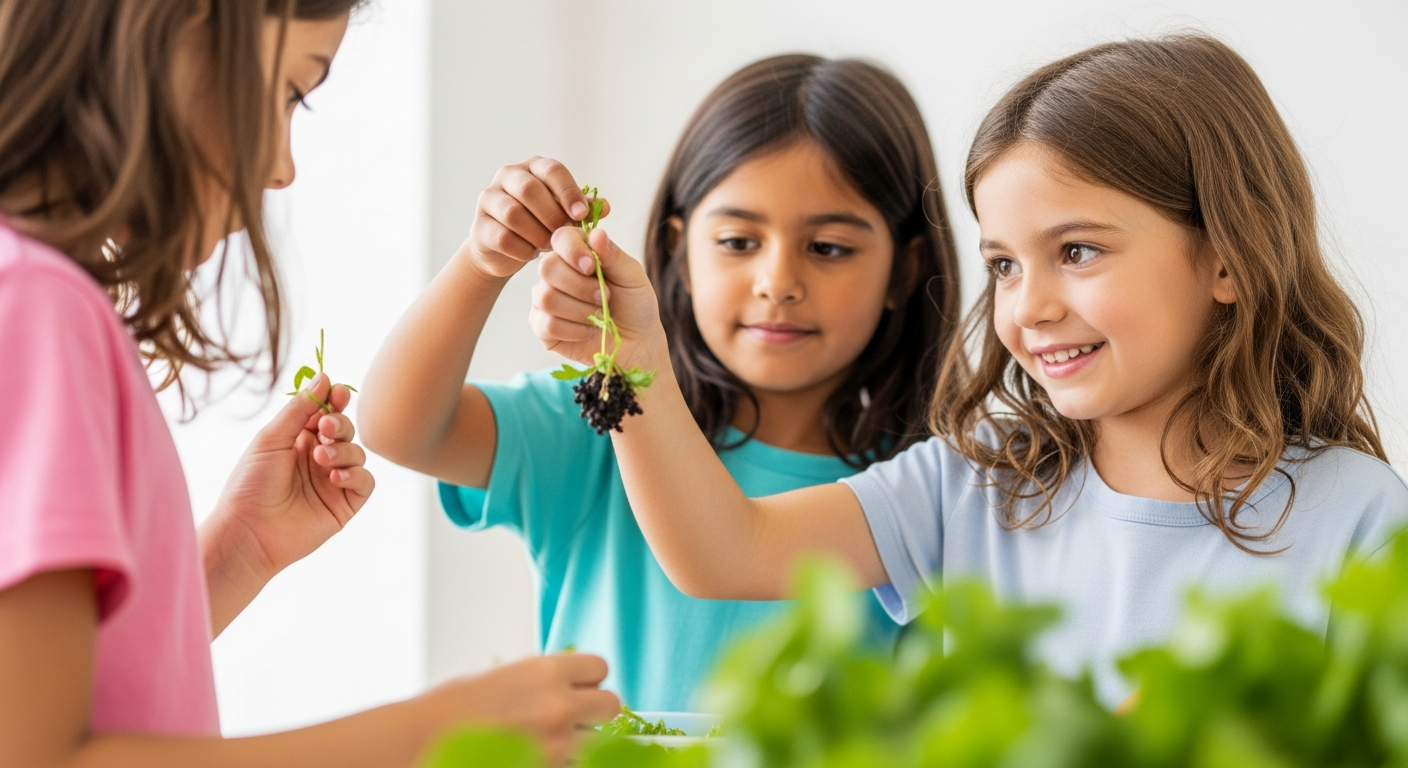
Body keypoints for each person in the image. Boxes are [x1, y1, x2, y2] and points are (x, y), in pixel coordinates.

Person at [528, 35, 1408, 709]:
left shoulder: (1363, 519)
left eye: (1077, 250)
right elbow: (722, 549)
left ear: (1226, 257)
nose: (1029, 308)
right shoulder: (979, 486)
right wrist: (636, 355)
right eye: (1004, 265)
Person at [0, 2, 616, 766]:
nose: (282, 168)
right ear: (175, 32)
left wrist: (238, 550)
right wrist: (434, 731)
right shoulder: (33, 304)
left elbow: (80, 682)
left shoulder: (35, 296)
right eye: (290, 93)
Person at [358, 54, 962, 710]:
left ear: (906, 271)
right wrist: (482, 262)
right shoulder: (599, 424)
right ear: (679, 250)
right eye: (737, 241)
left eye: (829, 248)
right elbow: (398, 426)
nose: (778, 282)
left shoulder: (919, 496)